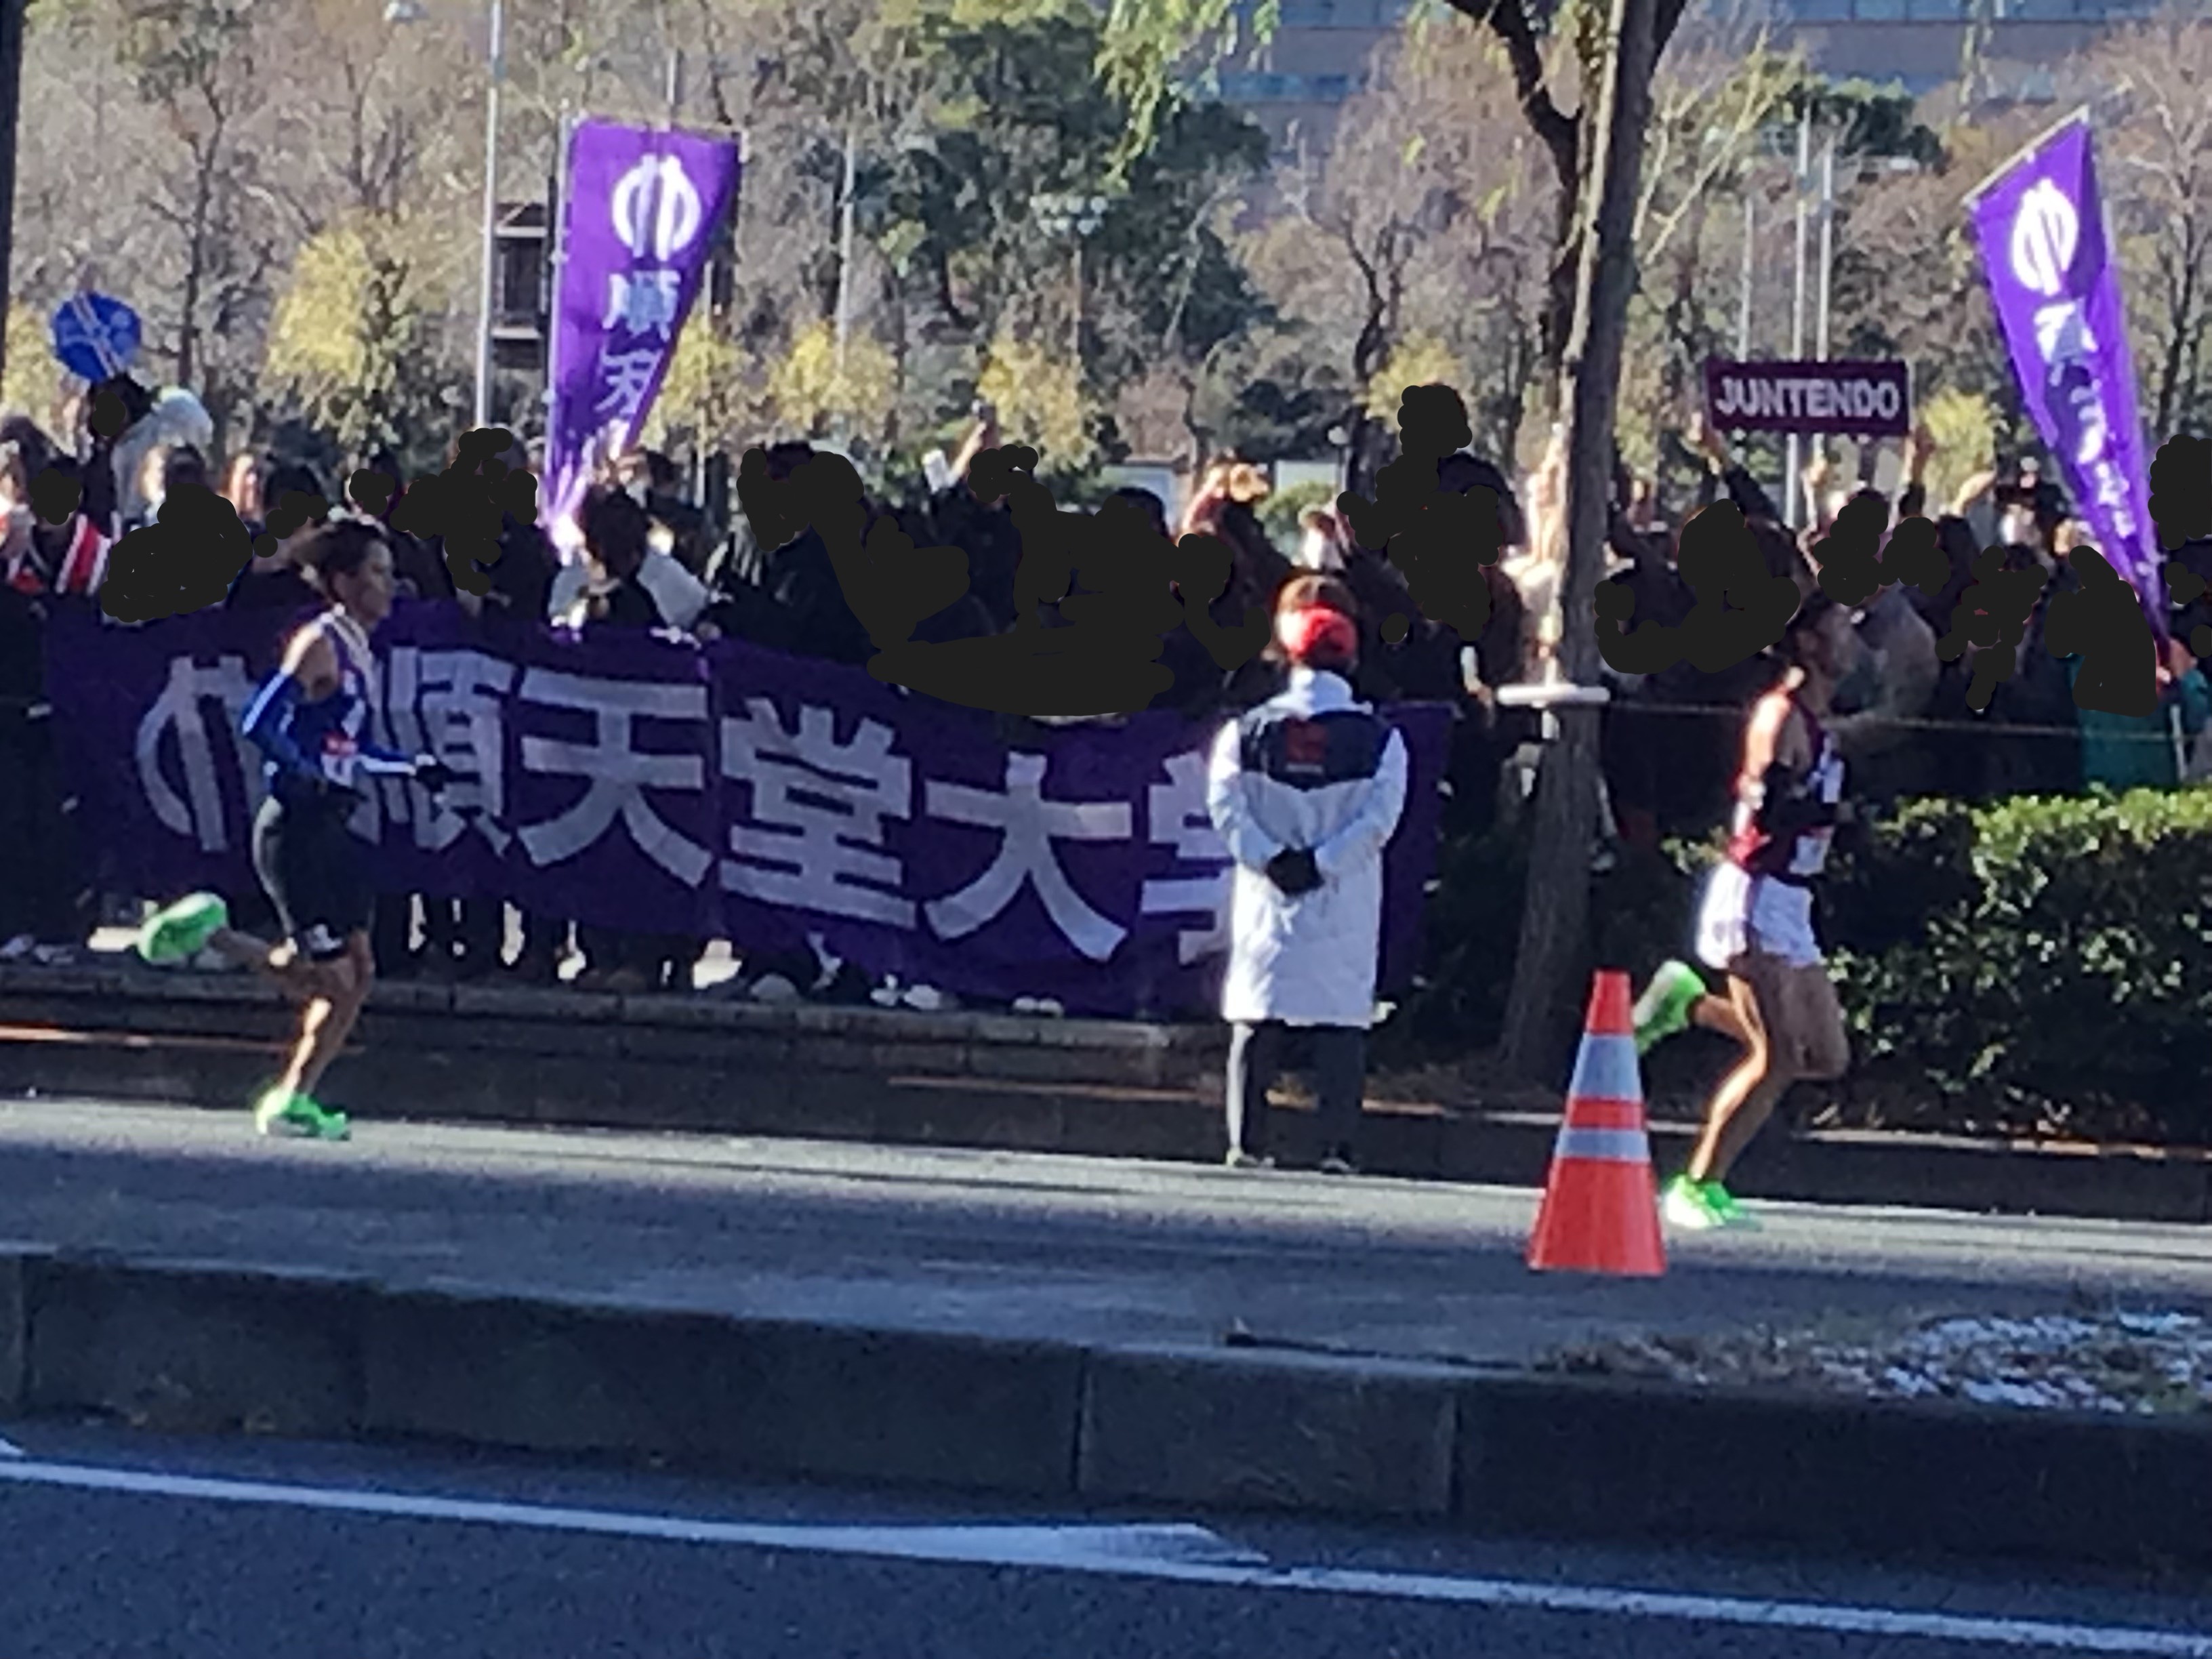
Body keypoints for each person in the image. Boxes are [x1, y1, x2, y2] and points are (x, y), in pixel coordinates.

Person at [131, 520, 450, 1139]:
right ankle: (215, 935)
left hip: (336, 824)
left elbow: (350, 746)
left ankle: (294, 1097)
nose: (390, 587)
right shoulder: (319, 643)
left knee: (361, 972)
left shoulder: (361, 649)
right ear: (342, 583)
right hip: (297, 828)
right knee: (329, 978)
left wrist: (407, 765)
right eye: (378, 574)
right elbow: (260, 720)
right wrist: (302, 771)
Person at [1630, 594, 1855, 1231]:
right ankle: (1698, 1184)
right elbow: (1762, 811)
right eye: (1839, 630)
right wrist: (1822, 814)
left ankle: (1690, 1005)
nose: (1852, 644)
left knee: (1825, 1056)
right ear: (1808, 643)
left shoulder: (1823, 724)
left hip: (1795, 900)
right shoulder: (1778, 715)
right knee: (1778, 1057)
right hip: (1757, 891)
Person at [1206, 573, 1410, 1174]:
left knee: (1256, 1013)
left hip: (1265, 893)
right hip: (1342, 896)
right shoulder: (1380, 738)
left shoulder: (1244, 732)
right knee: (1341, 1021)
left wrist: (1271, 858)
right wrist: (1323, 864)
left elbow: (1225, 807)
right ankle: (1336, 1148)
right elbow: (1379, 821)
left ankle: (1248, 1142)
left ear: (1285, 647)